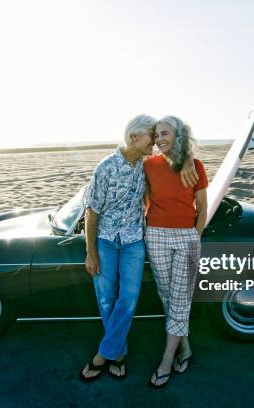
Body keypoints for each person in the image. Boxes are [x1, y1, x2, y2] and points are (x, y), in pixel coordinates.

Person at [80, 114, 199, 382]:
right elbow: (91, 211)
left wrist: (189, 158)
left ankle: (103, 354)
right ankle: (119, 353)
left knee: (129, 298)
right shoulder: (106, 167)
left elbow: (175, 158)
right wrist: (91, 251)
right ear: (135, 136)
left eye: (158, 136)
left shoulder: (145, 165)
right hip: (106, 241)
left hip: (134, 240)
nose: (155, 142)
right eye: (151, 136)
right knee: (107, 298)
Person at [144, 116, 208, 388]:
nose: (160, 139)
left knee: (180, 297)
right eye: (157, 135)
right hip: (155, 235)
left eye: (165, 133)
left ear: (179, 135)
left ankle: (166, 360)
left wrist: (196, 235)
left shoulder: (196, 166)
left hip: (186, 237)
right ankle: (186, 348)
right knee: (168, 296)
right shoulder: (148, 165)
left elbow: (203, 207)